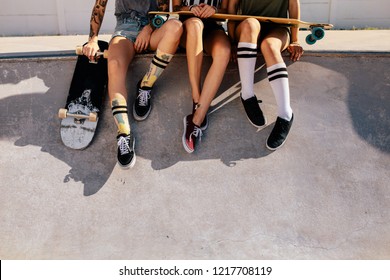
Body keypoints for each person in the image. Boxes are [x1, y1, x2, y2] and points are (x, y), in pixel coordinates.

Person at [83, 0, 183, 168]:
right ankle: (124, 134)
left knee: (176, 27)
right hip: (124, 29)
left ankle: (145, 85)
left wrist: (149, 28)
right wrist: (92, 40)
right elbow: (99, 6)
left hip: (153, 28)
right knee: (114, 65)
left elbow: (164, 10)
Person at [227, 0, 304, 150]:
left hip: (277, 28)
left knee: (269, 46)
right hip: (246, 29)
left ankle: (285, 114)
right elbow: (232, 6)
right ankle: (247, 95)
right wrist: (231, 41)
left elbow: (293, 5)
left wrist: (295, 39)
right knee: (251, 23)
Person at [172, 0, 231, 153]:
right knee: (195, 25)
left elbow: (228, 10)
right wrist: (192, 9)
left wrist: (214, 9)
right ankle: (196, 98)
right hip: (188, 28)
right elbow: (176, 7)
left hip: (213, 29)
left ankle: (196, 119)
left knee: (224, 51)